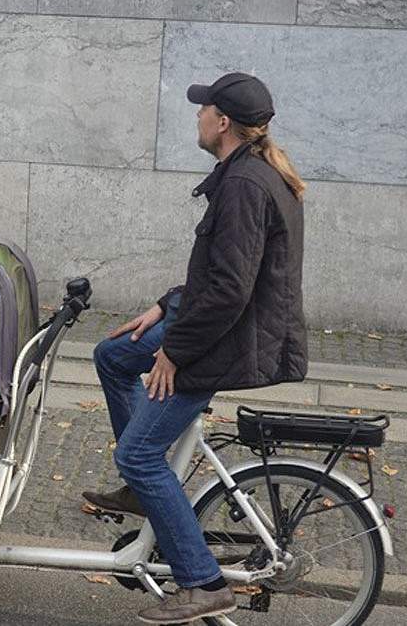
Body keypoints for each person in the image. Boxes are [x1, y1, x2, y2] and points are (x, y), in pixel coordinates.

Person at [81, 72, 308, 624]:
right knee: (113, 356)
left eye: (203, 109)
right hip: (213, 324)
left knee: (136, 455)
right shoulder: (241, 175)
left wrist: (174, 351)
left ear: (222, 122)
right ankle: (144, 491)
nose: (197, 116)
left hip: (223, 342)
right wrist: (167, 303)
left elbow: (231, 291)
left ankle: (203, 582)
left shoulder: (246, 186)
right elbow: (219, 276)